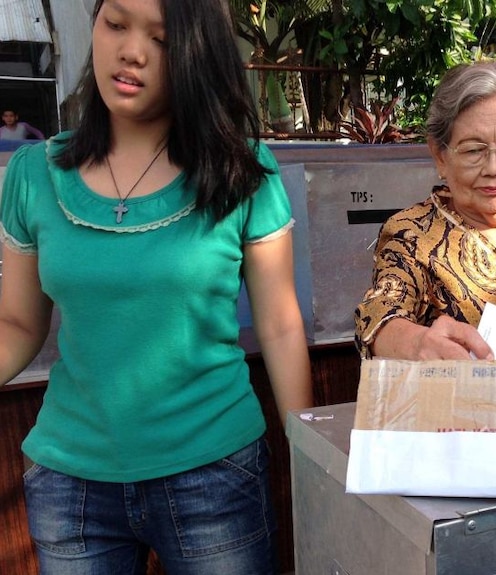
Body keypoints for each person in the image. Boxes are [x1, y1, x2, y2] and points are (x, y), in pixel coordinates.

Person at [0, 0, 313, 573]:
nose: (132, 51)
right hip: (71, 486)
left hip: (214, 477)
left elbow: (280, 322)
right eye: (114, 24)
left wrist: (308, 454)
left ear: (197, 51)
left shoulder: (243, 171)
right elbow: (18, 324)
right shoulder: (33, 175)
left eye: (162, 39)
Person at [355, 60, 496, 360]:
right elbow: (380, 315)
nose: (494, 168)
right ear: (440, 154)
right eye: (473, 150)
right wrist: (417, 342)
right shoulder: (412, 234)